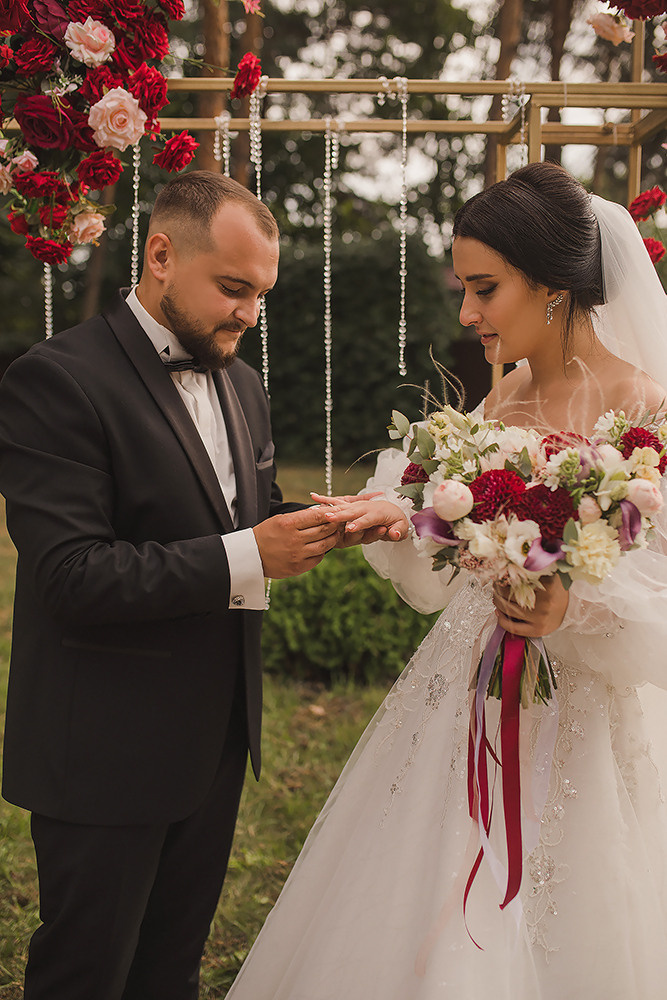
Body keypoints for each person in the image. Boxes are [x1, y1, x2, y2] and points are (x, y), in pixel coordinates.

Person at [224, 162, 667, 999]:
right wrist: (408, 517)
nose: (466, 313)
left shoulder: (645, 408)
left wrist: (575, 602)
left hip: (582, 717)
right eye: (462, 287)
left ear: (552, 286)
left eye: (483, 288)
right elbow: (453, 526)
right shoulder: (501, 400)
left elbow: (658, 576)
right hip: (471, 696)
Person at [0, 171, 347, 1000]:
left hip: (214, 741)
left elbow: (243, 516)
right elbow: (71, 575)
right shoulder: (56, 380)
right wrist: (250, 554)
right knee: (87, 976)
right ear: (160, 254)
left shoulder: (242, 383)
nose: (249, 316)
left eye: (260, 294)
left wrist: (338, 520)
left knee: (170, 973)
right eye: (233, 289)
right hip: (104, 751)